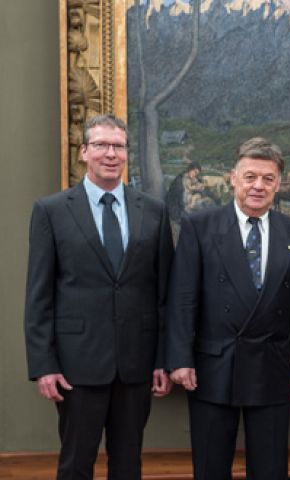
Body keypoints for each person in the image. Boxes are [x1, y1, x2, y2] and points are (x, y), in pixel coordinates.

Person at [24, 114, 174, 479]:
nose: (111, 154)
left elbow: (164, 293)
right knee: (76, 463)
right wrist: (44, 364)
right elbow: (39, 294)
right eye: (101, 145)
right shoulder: (52, 210)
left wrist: (163, 359)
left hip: (136, 364)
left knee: (128, 463)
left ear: (126, 153)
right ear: (83, 152)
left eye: (119, 146)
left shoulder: (153, 212)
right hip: (77, 365)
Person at [166, 137, 290, 479]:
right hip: (213, 366)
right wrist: (180, 359)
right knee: (211, 468)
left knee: (270, 470)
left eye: (267, 178)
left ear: (279, 183)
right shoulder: (199, 226)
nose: (258, 186)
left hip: (273, 367)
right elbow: (182, 299)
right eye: (250, 177)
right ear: (233, 177)